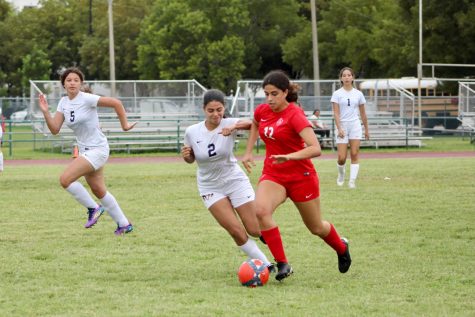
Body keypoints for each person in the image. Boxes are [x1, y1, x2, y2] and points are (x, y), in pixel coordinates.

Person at [242, 70, 351, 281]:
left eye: (274, 94)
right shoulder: (263, 111)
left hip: (301, 175)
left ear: (285, 92)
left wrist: (289, 157)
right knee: (261, 210)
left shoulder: (294, 114)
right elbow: (255, 123)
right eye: (266, 94)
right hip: (274, 174)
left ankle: (341, 247)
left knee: (316, 227)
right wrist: (248, 151)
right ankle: (283, 263)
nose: (269, 99)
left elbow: (315, 148)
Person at [181, 89, 273, 271]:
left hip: (235, 181)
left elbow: (255, 123)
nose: (216, 114)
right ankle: (266, 264)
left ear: (224, 108)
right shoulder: (192, 131)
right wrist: (186, 156)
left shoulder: (229, 123)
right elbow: (191, 159)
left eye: (219, 109)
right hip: (210, 186)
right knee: (236, 231)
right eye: (211, 110)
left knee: (254, 229)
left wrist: (234, 127)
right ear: (203, 110)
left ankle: (279, 253)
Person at [38, 67, 136, 235]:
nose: (72, 83)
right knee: (98, 190)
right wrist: (46, 112)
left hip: (98, 149)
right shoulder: (63, 103)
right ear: (63, 84)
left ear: (81, 83)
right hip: (86, 151)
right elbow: (54, 129)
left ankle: (94, 208)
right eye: (68, 80)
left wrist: (125, 125)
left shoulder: (87, 98)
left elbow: (116, 103)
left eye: (76, 80)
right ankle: (124, 224)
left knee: (65, 180)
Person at [331, 67, 369, 189]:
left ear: (352, 77)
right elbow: (336, 113)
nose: (347, 77)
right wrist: (339, 128)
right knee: (341, 158)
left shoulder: (358, 94)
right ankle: (341, 174)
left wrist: (367, 129)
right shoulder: (337, 94)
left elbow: (363, 113)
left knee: (354, 153)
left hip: (355, 125)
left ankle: (352, 182)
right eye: (344, 75)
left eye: (349, 75)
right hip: (342, 125)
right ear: (341, 78)